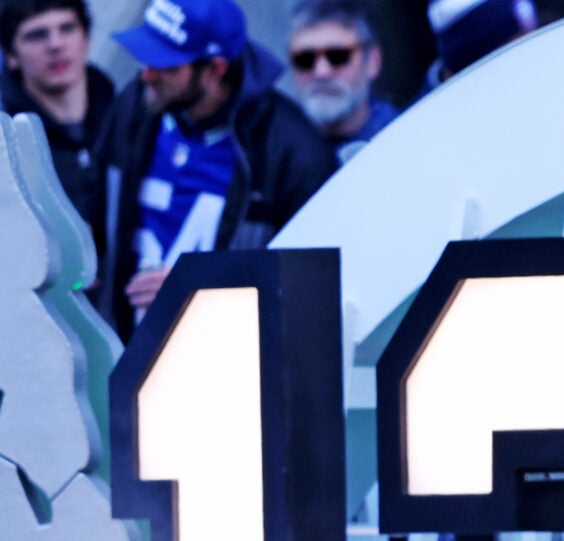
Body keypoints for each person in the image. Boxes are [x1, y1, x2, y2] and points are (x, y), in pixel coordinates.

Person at [96, 0, 335, 335]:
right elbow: (93, 201)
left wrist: (201, 283)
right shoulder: (135, 105)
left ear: (215, 70)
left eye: (166, 65)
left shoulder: (293, 151)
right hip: (124, 345)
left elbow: (312, 278)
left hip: (228, 357)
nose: (146, 75)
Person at [2, 0, 113, 265]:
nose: (55, 44)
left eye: (67, 28)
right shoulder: (6, 143)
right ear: (11, 57)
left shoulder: (129, 120)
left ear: (86, 40)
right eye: (36, 35)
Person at [285, 0, 394, 163]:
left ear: (373, 61)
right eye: (305, 59)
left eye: (337, 56)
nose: (321, 72)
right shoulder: (277, 151)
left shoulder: (402, 139)